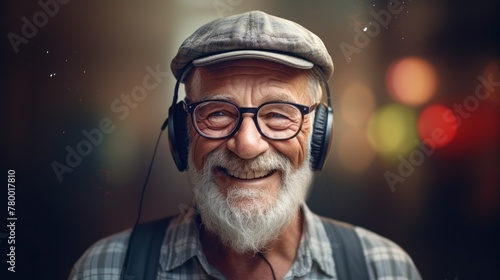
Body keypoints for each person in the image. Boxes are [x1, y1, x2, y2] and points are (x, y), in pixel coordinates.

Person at [69, 10, 422, 279]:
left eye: (279, 114)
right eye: (218, 113)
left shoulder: (385, 269)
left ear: (317, 132)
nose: (247, 144)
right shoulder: (105, 269)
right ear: (182, 130)